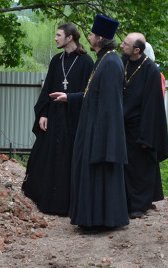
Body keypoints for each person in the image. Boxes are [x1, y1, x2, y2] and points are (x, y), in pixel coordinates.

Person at [50, 14, 129, 233]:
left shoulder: (110, 62)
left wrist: (101, 138)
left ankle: (99, 221)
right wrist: (69, 97)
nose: (90, 37)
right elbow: (91, 95)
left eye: (92, 34)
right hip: (93, 130)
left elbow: (110, 105)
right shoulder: (104, 59)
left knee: (98, 177)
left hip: (100, 133)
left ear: (100, 38)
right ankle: (92, 220)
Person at [21, 23, 94, 215]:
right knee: (45, 156)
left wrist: (69, 98)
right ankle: (46, 201)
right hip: (54, 117)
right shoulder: (56, 60)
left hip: (74, 120)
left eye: (59, 35)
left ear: (70, 38)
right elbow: (47, 88)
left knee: (68, 160)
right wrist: (43, 113)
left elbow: (90, 94)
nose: (55, 38)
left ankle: (68, 206)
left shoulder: (86, 62)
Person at [120, 32, 168, 218]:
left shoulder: (150, 70)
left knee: (140, 169)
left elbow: (152, 106)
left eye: (125, 44)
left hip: (141, 128)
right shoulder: (123, 63)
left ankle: (139, 205)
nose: (121, 45)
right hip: (123, 126)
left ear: (137, 50)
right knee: (125, 168)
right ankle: (126, 203)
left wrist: (146, 136)